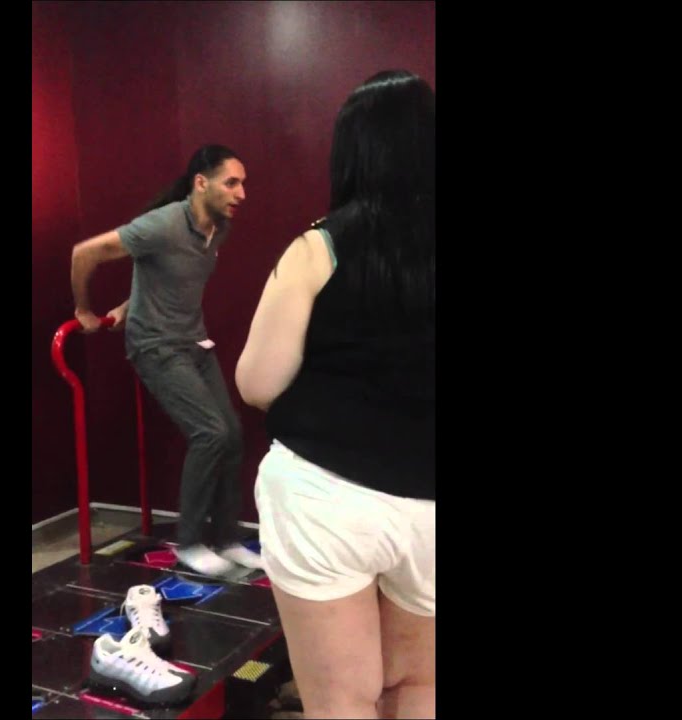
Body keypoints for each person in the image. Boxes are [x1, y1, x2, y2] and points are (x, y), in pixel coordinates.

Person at [235, 70, 436, 718]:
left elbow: (256, 383)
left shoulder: (318, 246)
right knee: (421, 687)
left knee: (339, 700)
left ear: (350, 151)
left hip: (327, 493)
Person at [69, 144, 262, 577]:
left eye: (243, 184)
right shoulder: (163, 224)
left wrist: (129, 303)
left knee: (231, 435)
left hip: (194, 343)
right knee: (210, 432)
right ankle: (190, 543)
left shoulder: (218, 229)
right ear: (201, 183)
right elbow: (84, 253)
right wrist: (84, 311)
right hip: (155, 346)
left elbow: (166, 274)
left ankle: (227, 540)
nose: (241, 193)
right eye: (232, 183)